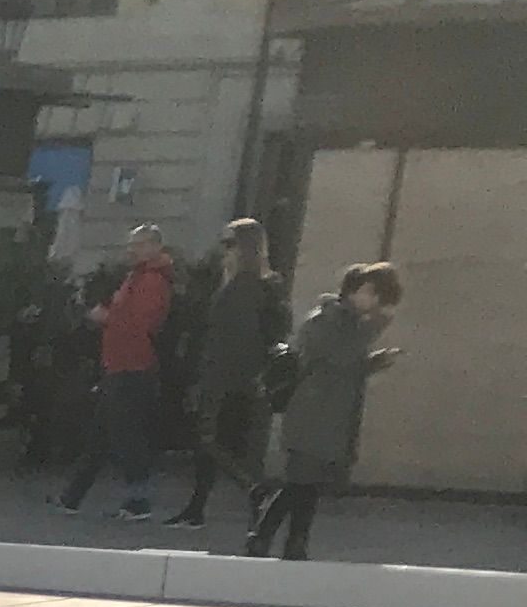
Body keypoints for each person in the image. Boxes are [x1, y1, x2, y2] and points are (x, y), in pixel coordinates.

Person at [247, 262, 406, 561]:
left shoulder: (350, 324)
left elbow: (347, 365)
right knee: (299, 483)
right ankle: (264, 535)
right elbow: (337, 357)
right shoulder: (327, 319)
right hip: (312, 412)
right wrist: (375, 328)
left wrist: (375, 361)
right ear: (357, 291)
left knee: (308, 486)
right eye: (372, 294)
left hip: (329, 414)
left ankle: (292, 542)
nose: (374, 304)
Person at [54, 222, 176, 520]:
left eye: (138, 244)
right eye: (130, 244)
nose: (130, 250)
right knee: (102, 433)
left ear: (154, 246)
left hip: (132, 367)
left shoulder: (151, 281)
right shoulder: (137, 277)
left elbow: (139, 323)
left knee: (126, 436)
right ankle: (72, 496)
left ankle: (138, 501)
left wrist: (104, 316)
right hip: (120, 364)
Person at [174, 217, 283, 532]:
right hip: (235, 374)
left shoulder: (245, 286)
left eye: (230, 243)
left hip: (227, 375)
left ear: (246, 247)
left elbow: (235, 338)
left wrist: (211, 377)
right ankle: (201, 508)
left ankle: (255, 490)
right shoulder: (242, 281)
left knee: (211, 440)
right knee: (216, 444)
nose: (224, 250)